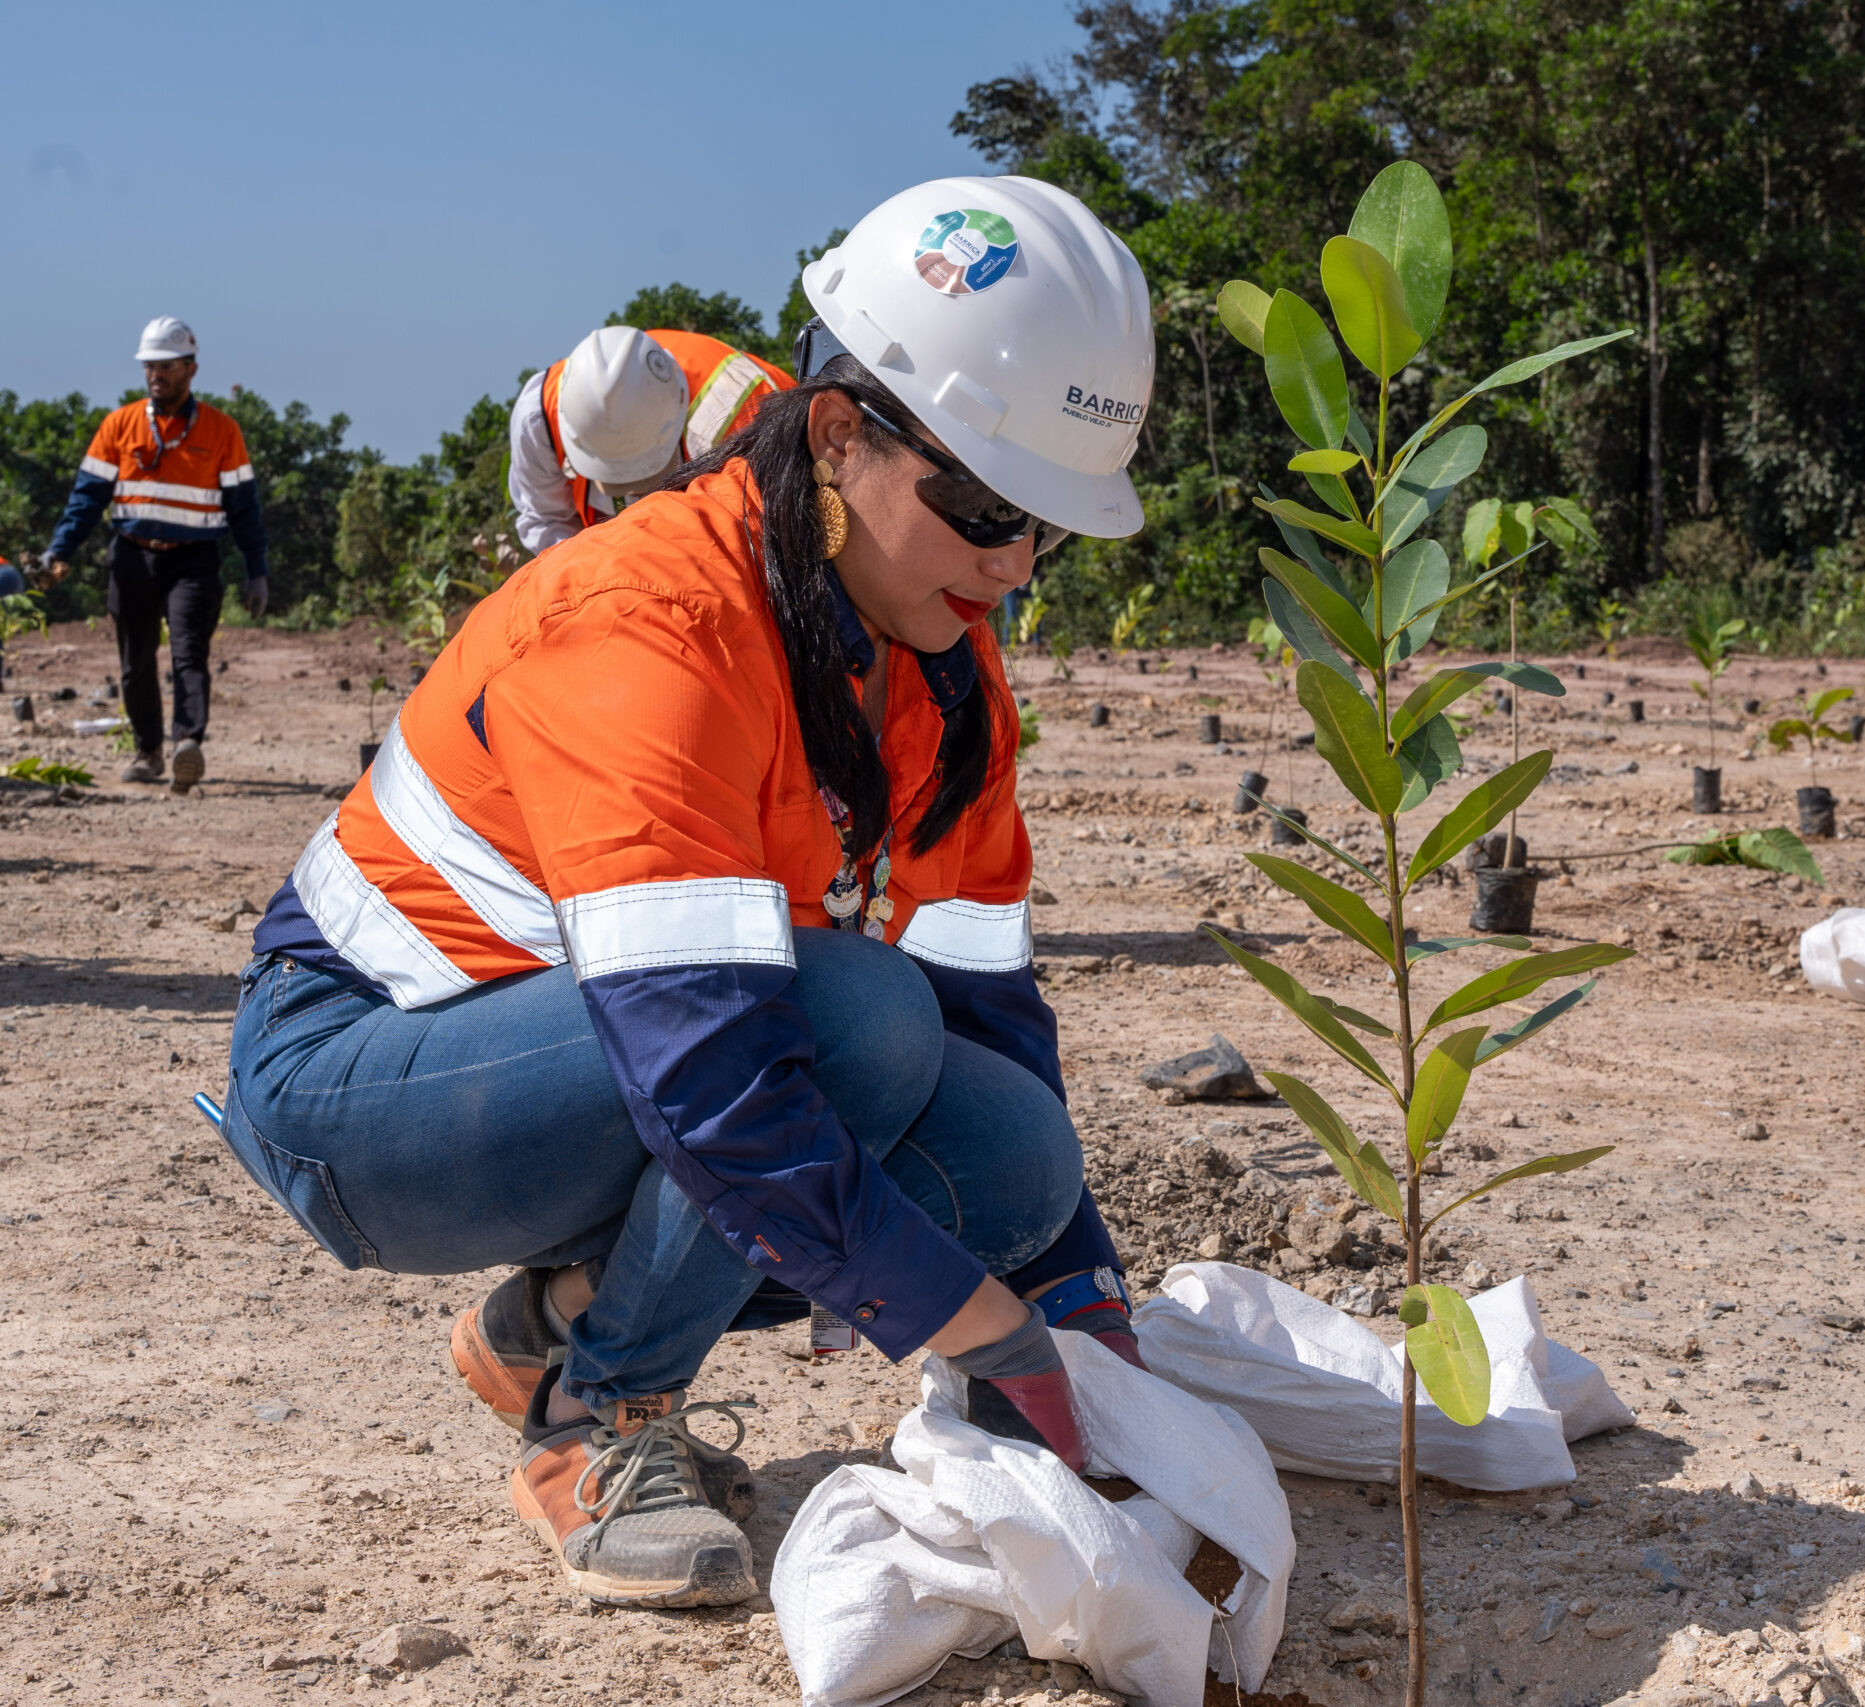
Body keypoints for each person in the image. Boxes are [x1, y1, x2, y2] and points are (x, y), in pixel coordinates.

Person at [221, 176, 1156, 1608]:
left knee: (1016, 1161)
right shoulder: (649, 616)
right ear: (839, 433)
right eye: (981, 507)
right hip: (364, 1079)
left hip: (605, 1061)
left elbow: (994, 1015)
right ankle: (601, 1414)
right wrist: (984, 1331)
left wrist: (1086, 1314)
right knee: (854, 1019)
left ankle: (561, 1314)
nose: (1014, 562)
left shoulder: (939, 669)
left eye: (1048, 528)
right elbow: (719, 1071)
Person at [41, 317, 269, 792]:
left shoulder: (222, 431)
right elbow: (86, 498)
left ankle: (188, 741)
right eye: (149, 367)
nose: (155, 375)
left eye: (166, 366)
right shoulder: (119, 425)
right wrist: (58, 550)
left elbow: (244, 509)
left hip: (193, 561)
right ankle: (148, 752)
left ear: (190, 368)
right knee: (135, 660)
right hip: (131, 557)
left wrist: (256, 570)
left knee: (190, 654)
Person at [507, 325, 791, 555]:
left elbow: (783, 533)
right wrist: (592, 567)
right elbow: (546, 520)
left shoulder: (742, 411)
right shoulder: (539, 420)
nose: (631, 496)